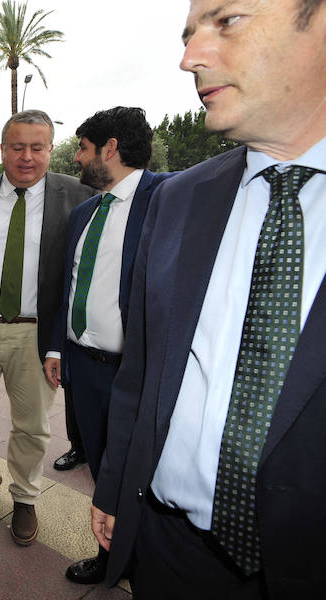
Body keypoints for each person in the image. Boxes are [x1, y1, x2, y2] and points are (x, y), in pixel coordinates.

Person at [92, 1, 326, 597]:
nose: (189, 57)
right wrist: (118, 485)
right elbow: (139, 373)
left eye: (227, 21)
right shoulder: (178, 199)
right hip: (169, 553)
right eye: (189, 33)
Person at [0, 110, 95, 544]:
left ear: (50, 149)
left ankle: (25, 497)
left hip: (37, 334)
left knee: (31, 425)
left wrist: (62, 344)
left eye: (37, 147)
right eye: (17, 147)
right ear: (3, 149)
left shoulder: (79, 196)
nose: (26, 157)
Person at [42, 107, 172, 585]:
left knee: (141, 475)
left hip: (135, 373)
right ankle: (110, 556)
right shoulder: (82, 213)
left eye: (81, 148)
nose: (76, 158)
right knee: (101, 468)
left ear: (110, 149)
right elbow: (69, 285)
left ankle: (141, 561)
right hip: (84, 368)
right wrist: (57, 348)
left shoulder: (168, 199)